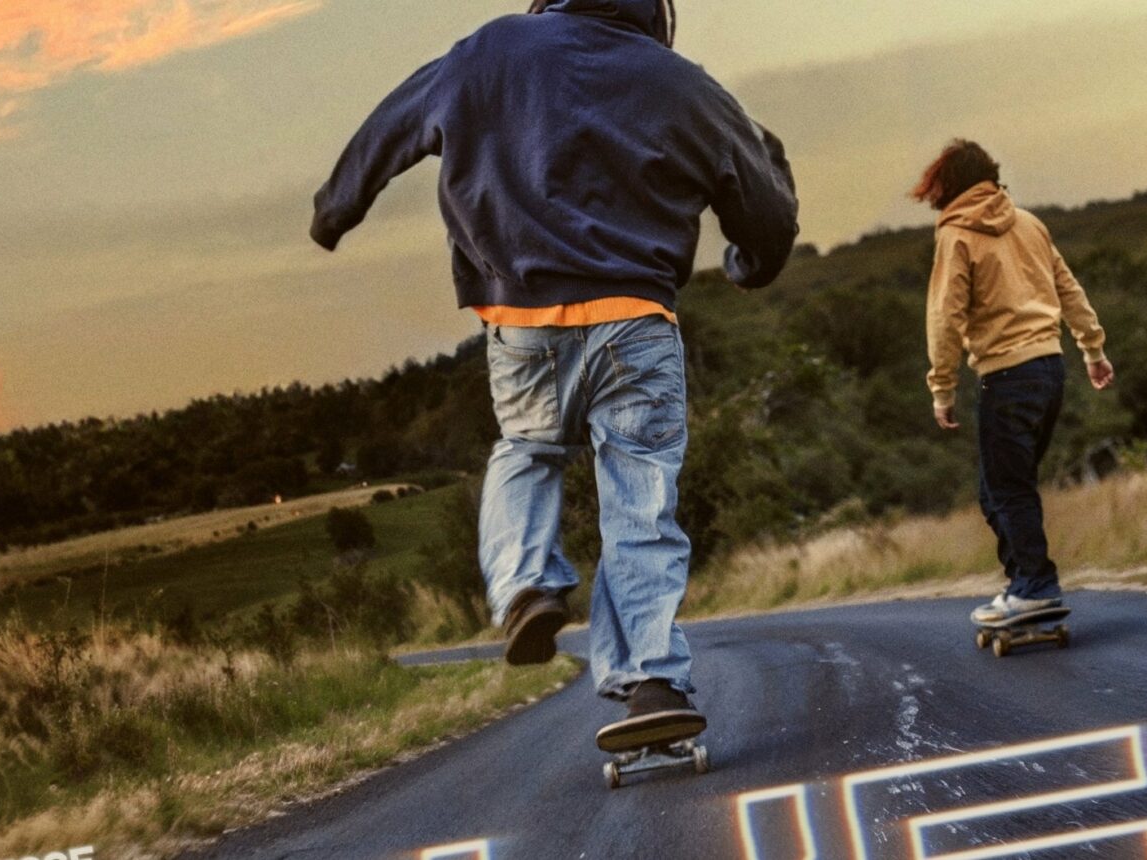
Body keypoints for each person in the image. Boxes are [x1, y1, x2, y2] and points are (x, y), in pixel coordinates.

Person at [311, 0, 798, 748]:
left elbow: (394, 121)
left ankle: (525, 586)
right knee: (640, 502)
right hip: (634, 320)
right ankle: (652, 682)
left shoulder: (491, 50)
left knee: (527, 451)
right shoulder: (680, 83)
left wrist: (334, 210)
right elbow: (763, 199)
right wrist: (748, 264)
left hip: (523, 320)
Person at [915, 140, 1114, 625]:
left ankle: (1037, 586)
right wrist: (1092, 349)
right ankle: (1021, 584)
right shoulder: (1029, 223)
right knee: (998, 489)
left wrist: (942, 388)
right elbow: (1068, 288)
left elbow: (945, 317)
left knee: (1008, 488)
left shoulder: (956, 236)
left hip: (1006, 376)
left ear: (948, 186)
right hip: (1050, 370)